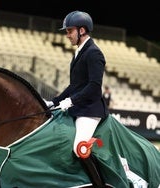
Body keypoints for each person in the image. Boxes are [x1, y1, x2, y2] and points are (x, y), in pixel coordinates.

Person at [45, 10, 109, 187]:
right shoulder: (79, 52)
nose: (67, 35)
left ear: (82, 30)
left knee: (79, 147)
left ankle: (99, 184)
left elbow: (94, 87)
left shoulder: (94, 53)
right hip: (79, 106)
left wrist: (72, 101)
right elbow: (74, 86)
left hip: (90, 110)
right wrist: (55, 102)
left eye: (69, 31)